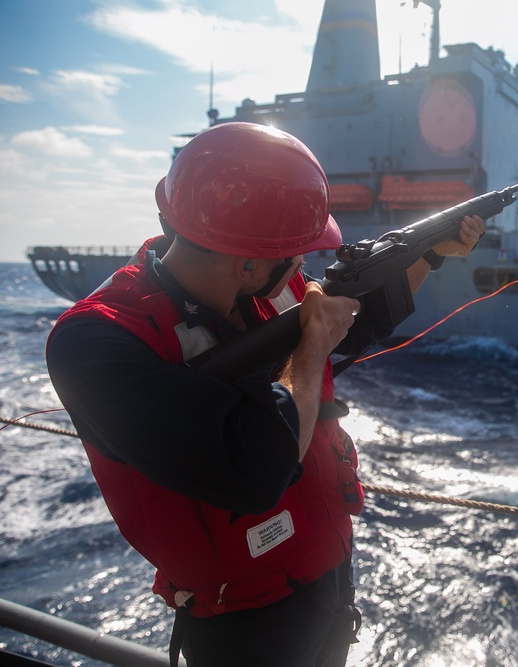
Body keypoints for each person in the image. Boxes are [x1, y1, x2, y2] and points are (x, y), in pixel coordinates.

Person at [46, 122, 485, 666]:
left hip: (327, 576)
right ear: (246, 260)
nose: (305, 262)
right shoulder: (97, 342)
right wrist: (311, 347)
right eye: (296, 251)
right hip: (245, 624)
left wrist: (430, 254)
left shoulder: (269, 288)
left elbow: (352, 326)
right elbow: (257, 465)